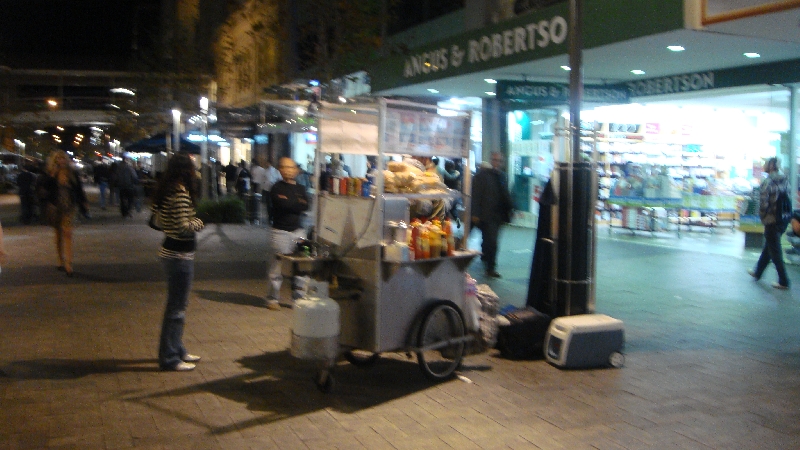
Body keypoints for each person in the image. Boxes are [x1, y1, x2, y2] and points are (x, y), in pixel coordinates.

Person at [151, 152, 205, 371]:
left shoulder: (166, 190)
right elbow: (183, 225)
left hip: (171, 252)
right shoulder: (180, 193)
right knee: (176, 308)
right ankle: (170, 357)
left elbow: (161, 220)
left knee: (176, 306)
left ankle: (177, 347)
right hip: (179, 255)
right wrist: (200, 222)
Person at [266, 157, 310, 310]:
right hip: (280, 232)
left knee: (301, 266)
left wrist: (292, 203)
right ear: (279, 169)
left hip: (299, 231)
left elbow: (306, 205)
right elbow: (283, 204)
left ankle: (299, 298)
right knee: (277, 267)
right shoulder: (276, 188)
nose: (288, 170)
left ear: (296, 170)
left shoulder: (301, 188)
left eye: (291, 167)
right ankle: (272, 299)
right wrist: (296, 203)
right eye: (284, 167)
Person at [39, 150, 88, 277]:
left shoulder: (72, 173)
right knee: (58, 234)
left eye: (62, 158)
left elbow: (79, 189)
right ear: (54, 161)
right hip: (55, 207)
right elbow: (43, 188)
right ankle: (60, 259)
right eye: (58, 159)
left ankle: (68, 263)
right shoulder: (49, 173)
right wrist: (52, 176)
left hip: (69, 206)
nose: (60, 161)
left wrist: (83, 202)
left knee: (68, 233)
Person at [748, 157, 791, 289]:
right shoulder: (785, 179)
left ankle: (783, 281)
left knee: (775, 251)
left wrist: (763, 217)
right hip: (783, 218)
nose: (764, 165)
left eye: (766, 163)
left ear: (772, 166)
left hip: (772, 219)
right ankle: (758, 272)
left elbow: (763, 203)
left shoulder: (768, 181)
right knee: (770, 246)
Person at [471, 152, 514, 278]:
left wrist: (512, 207)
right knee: (491, 241)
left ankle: (489, 263)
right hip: (486, 214)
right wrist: (475, 213)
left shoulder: (502, 176)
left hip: (497, 215)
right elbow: (476, 195)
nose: (497, 163)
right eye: (495, 160)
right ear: (491, 160)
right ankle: (490, 267)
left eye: (499, 160)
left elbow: (505, 194)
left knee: (491, 241)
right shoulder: (482, 176)